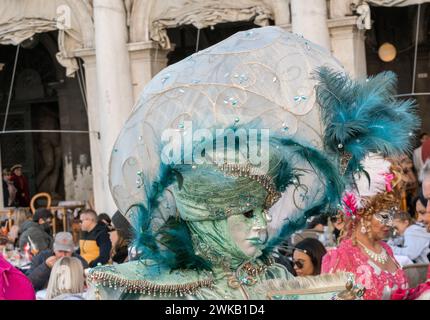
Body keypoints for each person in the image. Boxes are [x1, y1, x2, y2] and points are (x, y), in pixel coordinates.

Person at [84, 27, 416, 300]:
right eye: (246, 212)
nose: (262, 222)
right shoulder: (153, 290)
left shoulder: (271, 276)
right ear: (207, 216)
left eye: (261, 209)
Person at [322, 155, 409, 300]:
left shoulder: (386, 250)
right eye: (383, 215)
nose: (390, 222)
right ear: (362, 213)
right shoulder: (342, 256)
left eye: (392, 214)